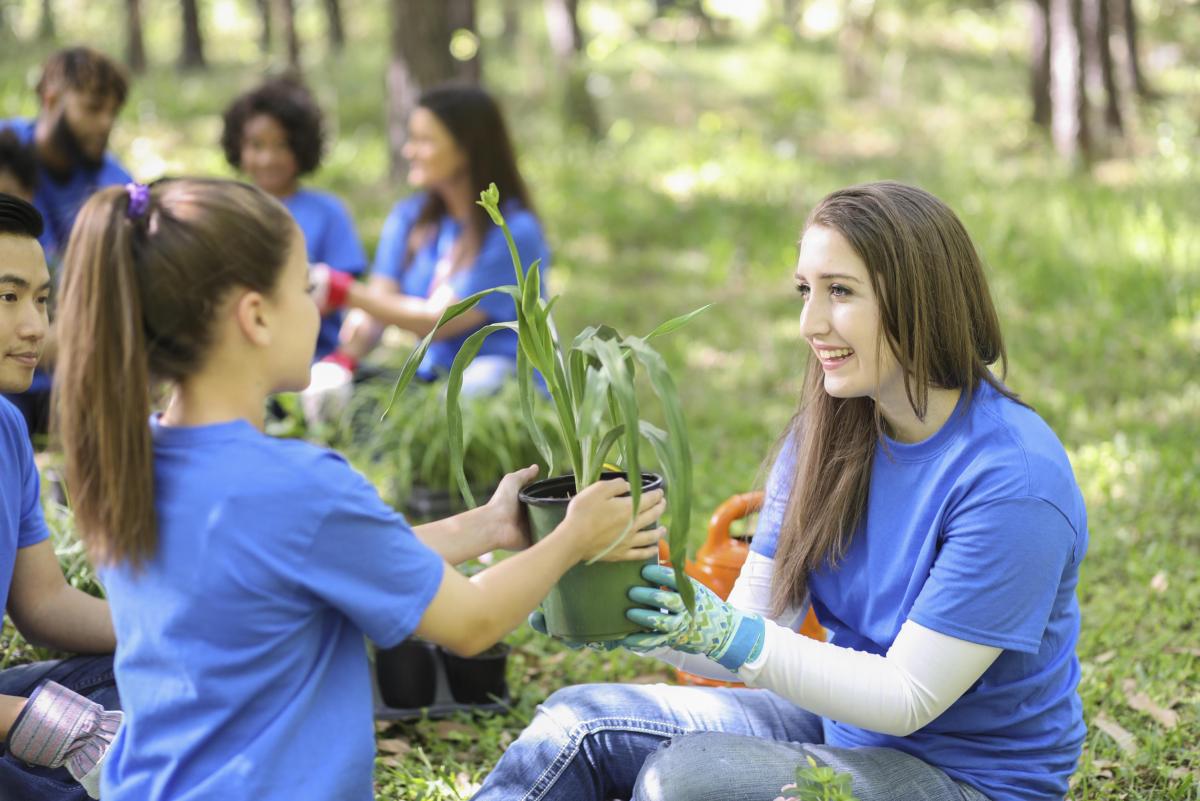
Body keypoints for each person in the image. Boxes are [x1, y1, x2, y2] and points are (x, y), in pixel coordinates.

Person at [52, 178, 666, 800]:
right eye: (304, 289)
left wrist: (485, 527)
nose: (322, 308)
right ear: (257, 316)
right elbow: (473, 621)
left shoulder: (129, 461)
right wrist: (571, 536)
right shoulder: (296, 485)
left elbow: (318, 562)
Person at [474, 182, 1088, 801]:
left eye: (840, 291)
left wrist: (729, 635)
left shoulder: (1014, 483)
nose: (809, 323)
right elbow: (748, 629)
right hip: (840, 731)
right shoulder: (830, 433)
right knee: (576, 721)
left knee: (684, 783)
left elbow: (908, 698)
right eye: (805, 290)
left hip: (967, 781)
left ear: (920, 300)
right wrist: (650, 618)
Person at [0, 193, 122, 801]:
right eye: (8, 297)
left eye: (41, 299)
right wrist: (57, 730)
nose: (34, 327)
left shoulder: (8, 428)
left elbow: (43, 602)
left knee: (166, 679)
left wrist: (175, 628)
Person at [314, 84, 549, 397]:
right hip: (434, 381)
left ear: (467, 148)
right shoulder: (409, 217)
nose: (409, 151)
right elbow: (377, 305)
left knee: (471, 386)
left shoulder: (513, 231)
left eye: (424, 141)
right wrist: (341, 362)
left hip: (500, 386)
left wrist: (342, 290)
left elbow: (438, 322)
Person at [1, 47, 133, 439]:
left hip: (75, 373)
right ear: (52, 98)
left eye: (113, 112)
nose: (105, 123)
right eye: (93, 108)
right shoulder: (7, 156)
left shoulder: (116, 185)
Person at [221, 78, 366, 362]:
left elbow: (341, 288)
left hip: (310, 361)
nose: (267, 158)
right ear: (238, 145)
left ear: (301, 147)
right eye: (256, 145)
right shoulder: (226, 209)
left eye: (282, 145)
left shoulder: (329, 212)